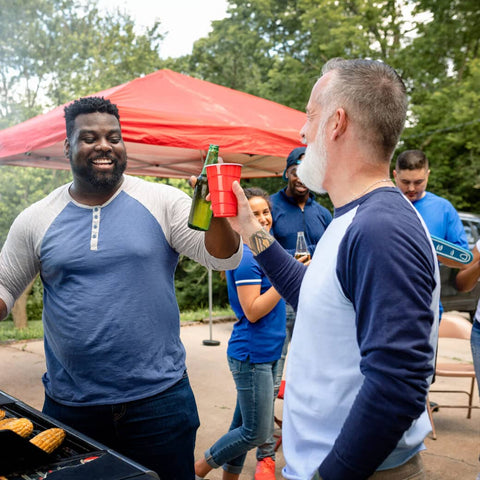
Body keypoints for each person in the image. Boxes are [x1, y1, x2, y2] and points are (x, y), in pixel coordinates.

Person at [0, 96, 242, 479]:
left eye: (114, 137)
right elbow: (4, 287)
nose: (104, 146)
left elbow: (223, 258)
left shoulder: (162, 201)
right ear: (67, 147)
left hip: (159, 403)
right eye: (89, 137)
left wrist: (215, 216)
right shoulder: (37, 217)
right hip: (71, 407)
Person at [226, 58, 440, 479]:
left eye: (310, 116)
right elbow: (316, 294)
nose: (302, 132)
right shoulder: (352, 216)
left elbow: (399, 385)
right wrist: (252, 232)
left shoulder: (380, 227)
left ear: (337, 122)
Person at [194, 187, 286, 480]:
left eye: (265, 212)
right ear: (238, 218)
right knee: (255, 432)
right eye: (254, 213)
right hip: (252, 354)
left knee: (243, 424)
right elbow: (252, 310)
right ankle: (197, 469)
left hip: (270, 352)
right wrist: (287, 279)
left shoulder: (266, 248)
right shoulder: (246, 256)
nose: (262, 218)